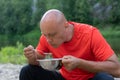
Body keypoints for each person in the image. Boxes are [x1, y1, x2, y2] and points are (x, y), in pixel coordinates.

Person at [19, 9, 120, 80]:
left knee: (105, 78)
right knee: (27, 71)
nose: (48, 40)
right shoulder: (46, 37)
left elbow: (117, 70)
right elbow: (38, 62)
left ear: (66, 26)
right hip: (64, 78)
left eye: (52, 35)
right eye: (45, 35)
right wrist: (32, 58)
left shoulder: (90, 34)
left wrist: (80, 63)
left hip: (91, 78)